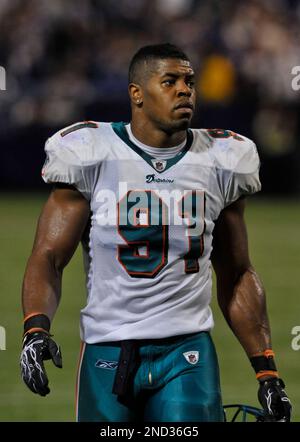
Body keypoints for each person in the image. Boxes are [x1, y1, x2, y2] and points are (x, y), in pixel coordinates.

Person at [20, 43, 291, 422]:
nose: (185, 90)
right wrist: (35, 328)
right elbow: (49, 256)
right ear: (137, 94)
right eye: (170, 81)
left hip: (187, 350)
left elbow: (236, 271)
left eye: (189, 81)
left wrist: (267, 373)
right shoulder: (91, 152)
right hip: (106, 349)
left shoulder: (221, 159)